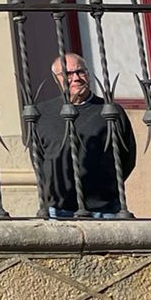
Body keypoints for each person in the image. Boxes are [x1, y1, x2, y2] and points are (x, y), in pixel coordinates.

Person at [31, 51, 136, 218]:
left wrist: (106, 186)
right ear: (55, 78)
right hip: (60, 208)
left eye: (80, 71)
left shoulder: (110, 111)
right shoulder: (42, 113)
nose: (76, 78)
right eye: (67, 73)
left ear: (88, 74)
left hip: (105, 208)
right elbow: (38, 159)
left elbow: (127, 157)